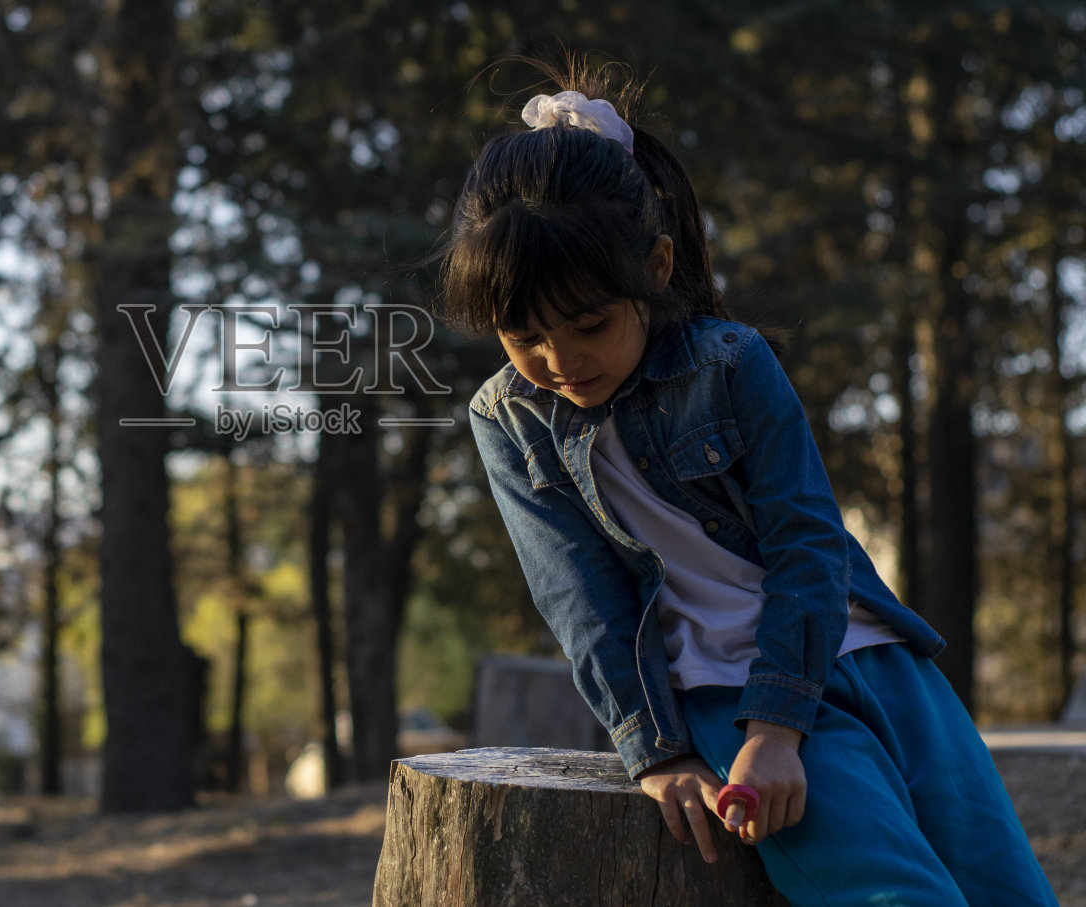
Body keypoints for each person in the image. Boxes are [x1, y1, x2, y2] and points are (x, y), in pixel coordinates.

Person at [440, 61, 1057, 906]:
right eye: (524, 335)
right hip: (725, 697)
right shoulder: (509, 420)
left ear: (655, 268)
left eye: (588, 324)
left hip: (879, 660)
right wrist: (662, 752)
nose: (559, 360)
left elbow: (808, 540)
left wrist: (783, 720)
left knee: (1009, 889)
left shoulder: (731, 363)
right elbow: (582, 601)